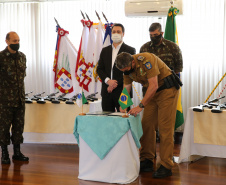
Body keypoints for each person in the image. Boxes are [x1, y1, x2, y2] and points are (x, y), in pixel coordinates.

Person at [115, 52, 181, 178]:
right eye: (123, 71)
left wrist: (140, 106)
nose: (125, 72)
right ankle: (147, 160)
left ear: (132, 62)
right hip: (151, 93)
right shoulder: (127, 69)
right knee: (146, 125)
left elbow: (154, 85)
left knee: (164, 128)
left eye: (126, 69)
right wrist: (123, 105)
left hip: (167, 91)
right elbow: (126, 88)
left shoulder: (146, 59)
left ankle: (166, 165)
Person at [0, 31, 29, 164]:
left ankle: (17, 152)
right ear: (7, 41)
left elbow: (22, 77)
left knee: (18, 127)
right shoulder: (1, 57)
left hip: (19, 99)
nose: (17, 43)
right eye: (14, 41)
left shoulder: (22, 57)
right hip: (4, 101)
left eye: (18, 41)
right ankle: (4, 153)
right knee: (4, 128)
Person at [97, 23, 136, 112]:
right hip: (107, 91)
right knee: (107, 120)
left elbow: (130, 71)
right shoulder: (104, 50)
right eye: (114, 32)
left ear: (123, 34)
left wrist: (114, 84)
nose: (116, 33)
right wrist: (108, 81)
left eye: (118, 32)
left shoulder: (131, 50)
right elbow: (99, 69)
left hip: (123, 91)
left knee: (124, 119)